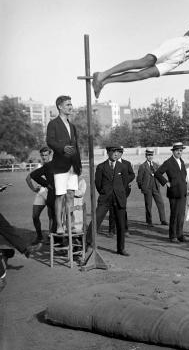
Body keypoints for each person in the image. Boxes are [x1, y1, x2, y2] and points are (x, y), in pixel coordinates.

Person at [86, 146, 134, 256]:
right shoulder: (101, 167)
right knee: (96, 220)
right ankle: (88, 243)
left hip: (119, 199)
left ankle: (121, 248)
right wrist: (105, 192)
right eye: (113, 152)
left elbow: (125, 183)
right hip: (105, 199)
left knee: (121, 225)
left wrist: (121, 195)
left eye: (118, 152)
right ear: (108, 153)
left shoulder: (123, 167)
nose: (116, 154)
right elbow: (98, 184)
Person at [46, 95, 82, 235]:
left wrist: (78, 167)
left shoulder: (72, 126)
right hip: (60, 166)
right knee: (60, 195)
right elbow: (50, 141)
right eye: (68, 104)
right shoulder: (53, 124)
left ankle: (69, 223)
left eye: (71, 104)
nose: (71, 107)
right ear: (60, 106)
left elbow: (76, 147)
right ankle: (59, 226)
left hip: (72, 166)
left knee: (71, 195)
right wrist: (62, 148)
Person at [155, 142, 189, 243]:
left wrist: (186, 188)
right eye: (177, 150)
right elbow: (158, 173)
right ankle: (172, 235)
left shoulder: (182, 161)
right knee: (174, 214)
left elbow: (183, 177)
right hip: (174, 192)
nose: (179, 152)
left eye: (181, 150)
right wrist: (166, 182)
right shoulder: (168, 162)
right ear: (173, 151)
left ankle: (180, 234)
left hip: (182, 192)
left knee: (181, 215)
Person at [25, 146, 55, 242]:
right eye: (42, 155)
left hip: (52, 192)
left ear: (50, 154)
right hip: (42, 192)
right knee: (35, 215)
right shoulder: (38, 166)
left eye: (46, 155)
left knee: (52, 216)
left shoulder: (55, 165)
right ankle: (39, 236)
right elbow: (28, 178)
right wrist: (33, 189)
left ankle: (51, 236)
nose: (44, 157)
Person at [136, 148, 168, 227]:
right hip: (147, 188)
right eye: (148, 155)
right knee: (148, 205)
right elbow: (139, 179)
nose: (150, 157)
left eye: (151, 155)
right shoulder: (142, 166)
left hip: (156, 187)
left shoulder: (156, 165)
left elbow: (159, 175)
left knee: (161, 203)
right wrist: (142, 187)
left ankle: (163, 220)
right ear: (146, 156)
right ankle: (149, 221)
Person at [108, 147, 135, 236]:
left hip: (123, 191)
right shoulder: (109, 163)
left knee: (122, 209)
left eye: (120, 152)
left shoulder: (127, 163)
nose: (118, 154)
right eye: (116, 152)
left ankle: (125, 230)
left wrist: (125, 181)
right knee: (112, 210)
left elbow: (132, 175)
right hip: (111, 191)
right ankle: (112, 231)